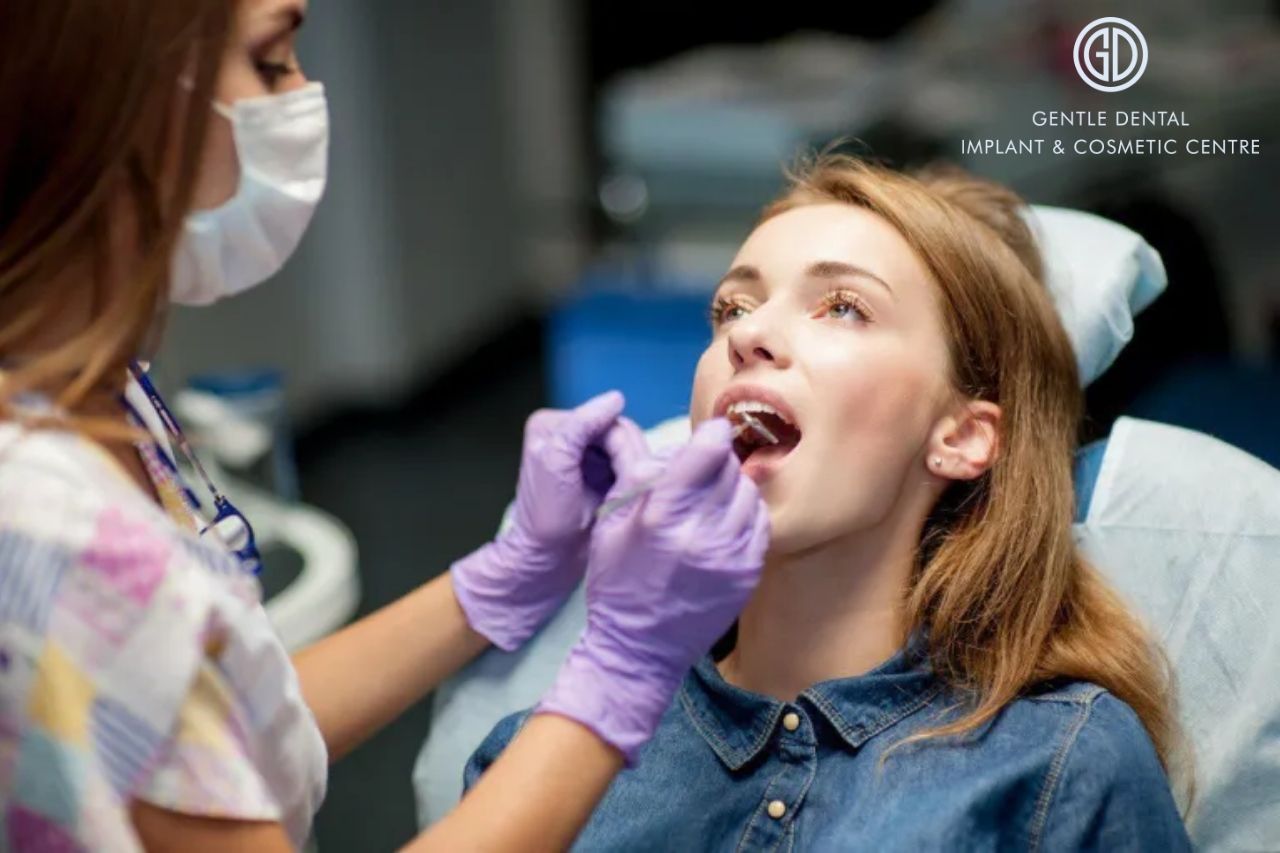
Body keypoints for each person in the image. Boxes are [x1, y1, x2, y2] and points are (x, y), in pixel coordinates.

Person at [0, 2, 768, 851]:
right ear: (119, 94)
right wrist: (622, 668)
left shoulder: (104, 394)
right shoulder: (45, 518)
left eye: (843, 307)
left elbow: (201, 735)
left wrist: (501, 583)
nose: (756, 337)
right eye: (270, 60)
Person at [465, 156, 1195, 850]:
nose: (748, 334)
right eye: (731, 308)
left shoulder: (1063, 769)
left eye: (843, 307)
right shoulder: (534, 773)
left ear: (962, 436)